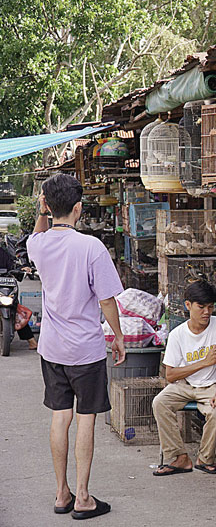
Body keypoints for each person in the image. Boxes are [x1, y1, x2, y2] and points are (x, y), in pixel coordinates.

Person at [28, 174, 126, 520]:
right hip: (85, 350)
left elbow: (39, 231)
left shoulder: (37, 246)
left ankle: (61, 493)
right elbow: (108, 300)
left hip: (52, 349)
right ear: (79, 208)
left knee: (60, 417)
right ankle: (83, 496)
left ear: (46, 206)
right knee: (86, 419)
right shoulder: (91, 247)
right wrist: (118, 336)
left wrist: (44, 209)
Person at [152, 280, 216, 476]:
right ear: (188, 305)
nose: (207, 312)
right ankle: (179, 457)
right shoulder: (178, 334)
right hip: (184, 385)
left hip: (212, 385)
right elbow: (170, 375)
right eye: (201, 306)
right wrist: (204, 362)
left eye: (211, 307)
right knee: (159, 402)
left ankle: (205, 459)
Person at [0, 244, 37, 350]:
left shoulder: (3, 252)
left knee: (17, 309)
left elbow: (13, 263)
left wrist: (22, 268)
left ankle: (31, 341)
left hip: (4, 287)